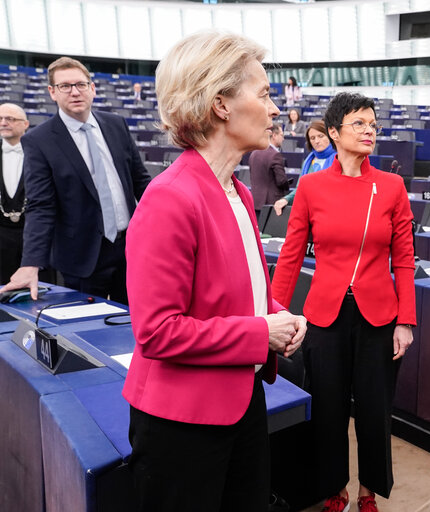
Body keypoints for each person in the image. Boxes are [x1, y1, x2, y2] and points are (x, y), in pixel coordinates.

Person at [122, 31, 307, 511]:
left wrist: (278, 316)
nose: (274, 109)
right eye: (264, 94)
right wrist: (259, 333)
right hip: (182, 424)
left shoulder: (238, 191)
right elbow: (158, 332)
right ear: (221, 104)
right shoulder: (169, 197)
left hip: (240, 403)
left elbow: (240, 295)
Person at [271, 92, 416, 512]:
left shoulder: (391, 186)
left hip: (378, 318)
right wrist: (275, 315)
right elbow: (291, 257)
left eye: (373, 123)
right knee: (329, 412)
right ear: (334, 132)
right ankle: (334, 489)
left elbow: (404, 260)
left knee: (375, 412)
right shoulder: (312, 186)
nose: (369, 130)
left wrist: (405, 320)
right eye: (359, 123)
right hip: (325, 316)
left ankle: (370, 491)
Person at [0, 57, 151, 304]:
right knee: (87, 333)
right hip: (82, 256)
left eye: (81, 84)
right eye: (65, 86)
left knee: (134, 321)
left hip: (130, 248)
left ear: (92, 88)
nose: (75, 92)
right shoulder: (39, 141)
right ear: (52, 92)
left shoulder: (116, 124)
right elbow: (41, 206)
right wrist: (31, 263)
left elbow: (141, 182)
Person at [273, 120, 336, 216]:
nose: (317, 141)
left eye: (321, 136)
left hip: (331, 213)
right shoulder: (309, 161)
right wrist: (286, 199)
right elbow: (300, 189)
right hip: (309, 212)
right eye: (312, 138)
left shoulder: (340, 158)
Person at [0, 104, 30, 284]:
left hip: (32, 237)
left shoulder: (40, 152)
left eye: (10, 119)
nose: (4, 123)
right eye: (0, 119)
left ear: (25, 124)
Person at [248, 122, 290, 215]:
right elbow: (281, 181)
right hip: (271, 204)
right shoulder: (275, 155)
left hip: (255, 202)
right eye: (281, 135)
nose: (283, 139)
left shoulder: (254, 153)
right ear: (274, 135)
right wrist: (288, 185)